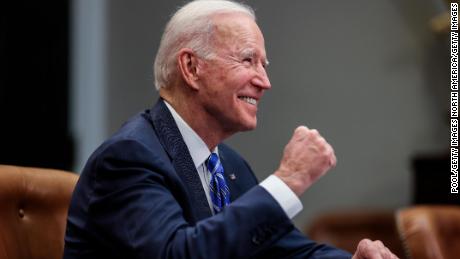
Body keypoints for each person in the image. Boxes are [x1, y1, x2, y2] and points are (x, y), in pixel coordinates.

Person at [64, 1, 398, 258]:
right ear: (192, 68)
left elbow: (285, 251)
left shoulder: (230, 166)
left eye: (264, 66)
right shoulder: (129, 157)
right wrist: (289, 180)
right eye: (248, 60)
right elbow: (177, 254)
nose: (264, 82)